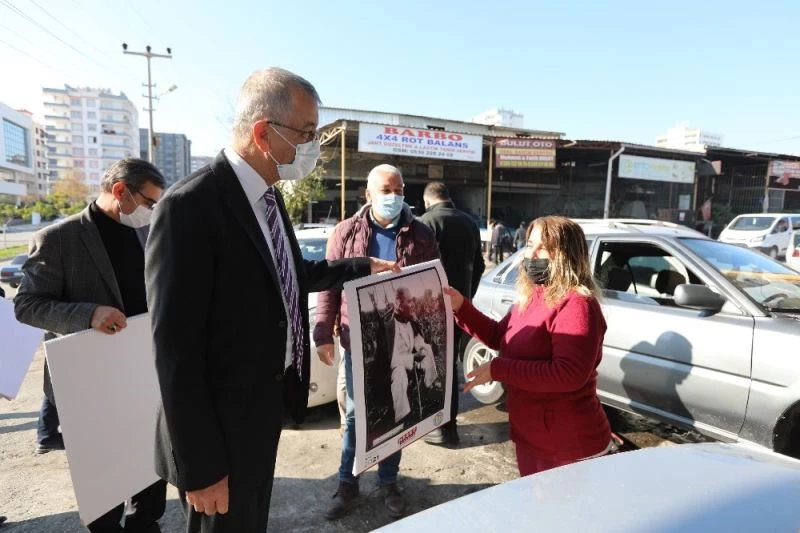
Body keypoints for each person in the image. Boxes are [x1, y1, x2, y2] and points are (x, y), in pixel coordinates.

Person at [145, 68, 397, 533]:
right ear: (263, 132)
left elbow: (289, 277)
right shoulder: (189, 207)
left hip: (263, 411)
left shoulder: (269, 198)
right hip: (216, 433)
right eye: (306, 133)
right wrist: (201, 466)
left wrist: (361, 267)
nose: (313, 146)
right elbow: (174, 352)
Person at [14, 158, 168, 532]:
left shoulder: (147, 233)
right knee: (104, 498)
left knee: (151, 486)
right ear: (120, 191)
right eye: (149, 203)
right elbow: (26, 306)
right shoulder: (59, 238)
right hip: (91, 390)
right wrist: (89, 314)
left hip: (146, 379)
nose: (152, 212)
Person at [314, 164, 438, 520]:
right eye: (386, 190)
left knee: (396, 411)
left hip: (401, 339)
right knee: (355, 415)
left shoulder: (421, 234)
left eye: (399, 190)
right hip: (359, 342)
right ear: (368, 195)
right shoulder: (346, 232)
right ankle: (347, 482)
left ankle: (388, 480)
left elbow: (431, 285)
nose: (394, 197)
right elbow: (329, 285)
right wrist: (324, 332)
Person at [445, 216, 613, 476]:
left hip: (570, 445)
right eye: (530, 244)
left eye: (544, 247)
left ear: (567, 254)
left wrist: (500, 369)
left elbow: (568, 374)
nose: (531, 254)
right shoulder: (534, 294)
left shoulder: (578, 304)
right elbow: (498, 335)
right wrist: (461, 307)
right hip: (533, 437)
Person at [419, 181, 484, 446]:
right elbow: (479, 265)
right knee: (450, 365)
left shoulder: (425, 222)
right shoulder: (470, 223)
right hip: (459, 307)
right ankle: (447, 427)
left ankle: (441, 429)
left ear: (427, 201)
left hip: (431, 308)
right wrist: (466, 299)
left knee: (432, 368)